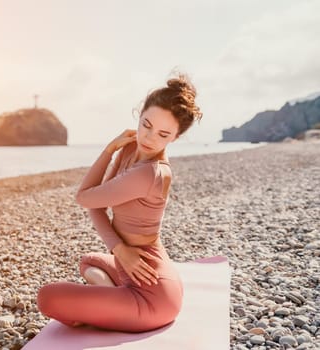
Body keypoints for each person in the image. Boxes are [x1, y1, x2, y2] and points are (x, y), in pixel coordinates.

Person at [37, 73, 203, 332]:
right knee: (88, 262)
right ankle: (111, 306)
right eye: (146, 125)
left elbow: (85, 196)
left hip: (154, 297)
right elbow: (95, 204)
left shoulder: (150, 172)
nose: (149, 138)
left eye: (163, 134)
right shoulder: (129, 151)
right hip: (136, 270)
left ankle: (111, 310)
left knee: (47, 297)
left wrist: (107, 151)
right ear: (139, 114)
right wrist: (119, 249)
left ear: (175, 138)